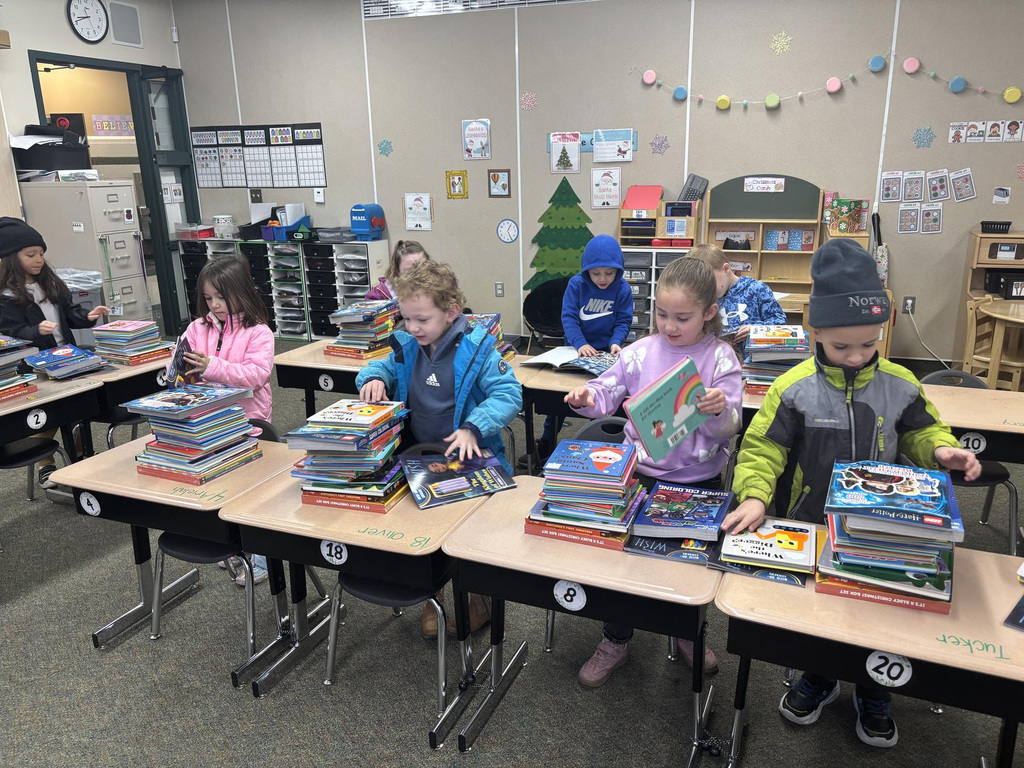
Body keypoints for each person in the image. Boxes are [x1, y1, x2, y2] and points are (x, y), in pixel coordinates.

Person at [722, 238, 982, 749]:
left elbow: (923, 431)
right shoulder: (792, 387)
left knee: (880, 609)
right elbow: (761, 451)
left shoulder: (901, 382)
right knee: (825, 611)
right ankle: (820, 676)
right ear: (814, 332)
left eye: (869, 344)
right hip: (812, 521)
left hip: (881, 526)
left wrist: (943, 450)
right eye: (841, 347)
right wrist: (754, 495)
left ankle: (875, 687)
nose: (857, 356)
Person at [564, 256, 742, 687]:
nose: (670, 325)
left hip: (696, 483)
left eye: (683, 317)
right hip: (639, 475)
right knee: (623, 564)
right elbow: (608, 389)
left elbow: (731, 426)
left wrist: (718, 410)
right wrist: (588, 396)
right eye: (662, 314)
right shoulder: (641, 351)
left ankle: (685, 634)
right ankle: (615, 639)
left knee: (686, 568)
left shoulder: (720, 358)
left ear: (709, 313)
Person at [357, 259, 523, 639]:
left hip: (469, 458)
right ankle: (435, 595)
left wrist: (472, 428)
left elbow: (509, 392)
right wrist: (372, 379)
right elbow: (381, 367)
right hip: (418, 456)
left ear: (450, 312)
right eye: (407, 319)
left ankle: (477, 601)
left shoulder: (478, 349)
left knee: (468, 540)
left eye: (422, 320)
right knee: (423, 532)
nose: (413, 328)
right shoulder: (406, 344)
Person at [179, 254, 275, 587]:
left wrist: (211, 367)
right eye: (208, 298)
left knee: (252, 492)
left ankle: (261, 556)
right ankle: (232, 547)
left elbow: (256, 376)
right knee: (219, 488)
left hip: (247, 425)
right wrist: (179, 372)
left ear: (242, 292)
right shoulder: (196, 328)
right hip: (206, 426)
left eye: (221, 297)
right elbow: (176, 365)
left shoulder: (259, 332)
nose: (215, 305)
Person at [0, 217, 109, 488]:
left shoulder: (49, 283)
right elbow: (10, 331)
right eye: (31, 255)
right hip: (32, 366)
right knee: (47, 415)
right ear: (11, 258)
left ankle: (81, 458)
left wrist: (88, 316)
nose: (39, 259)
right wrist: (36, 331)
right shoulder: (5, 295)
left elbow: (71, 313)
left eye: (41, 254)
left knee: (83, 407)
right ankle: (46, 466)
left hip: (66, 357)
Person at [528, 234, 633, 466]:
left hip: (606, 352)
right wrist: (580, 343)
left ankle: (609, 445)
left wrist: (616, 341)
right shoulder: (576, 285)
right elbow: (569, 318)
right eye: (596, 273)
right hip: (576, 349)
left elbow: (623, 321)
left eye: (609, 273)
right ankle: (547, 440)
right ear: (587, 271)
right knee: (559, 397)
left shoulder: (623, 289)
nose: (602, 279)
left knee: (610, 397)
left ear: (618, 270)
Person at [687, 243, 786, 345]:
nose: (707, 289)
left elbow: (779, 321)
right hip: (719, 356)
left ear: (726, 269)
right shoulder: (703, 297)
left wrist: (757, 330)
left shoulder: (756, 288)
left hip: (753, 357)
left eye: (710, 281)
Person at [365, 240, 430, 302]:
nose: (418, 274)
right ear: (396, 270)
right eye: (410, 271)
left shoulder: (436, 288)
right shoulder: (378, 296)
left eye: (423, 267)